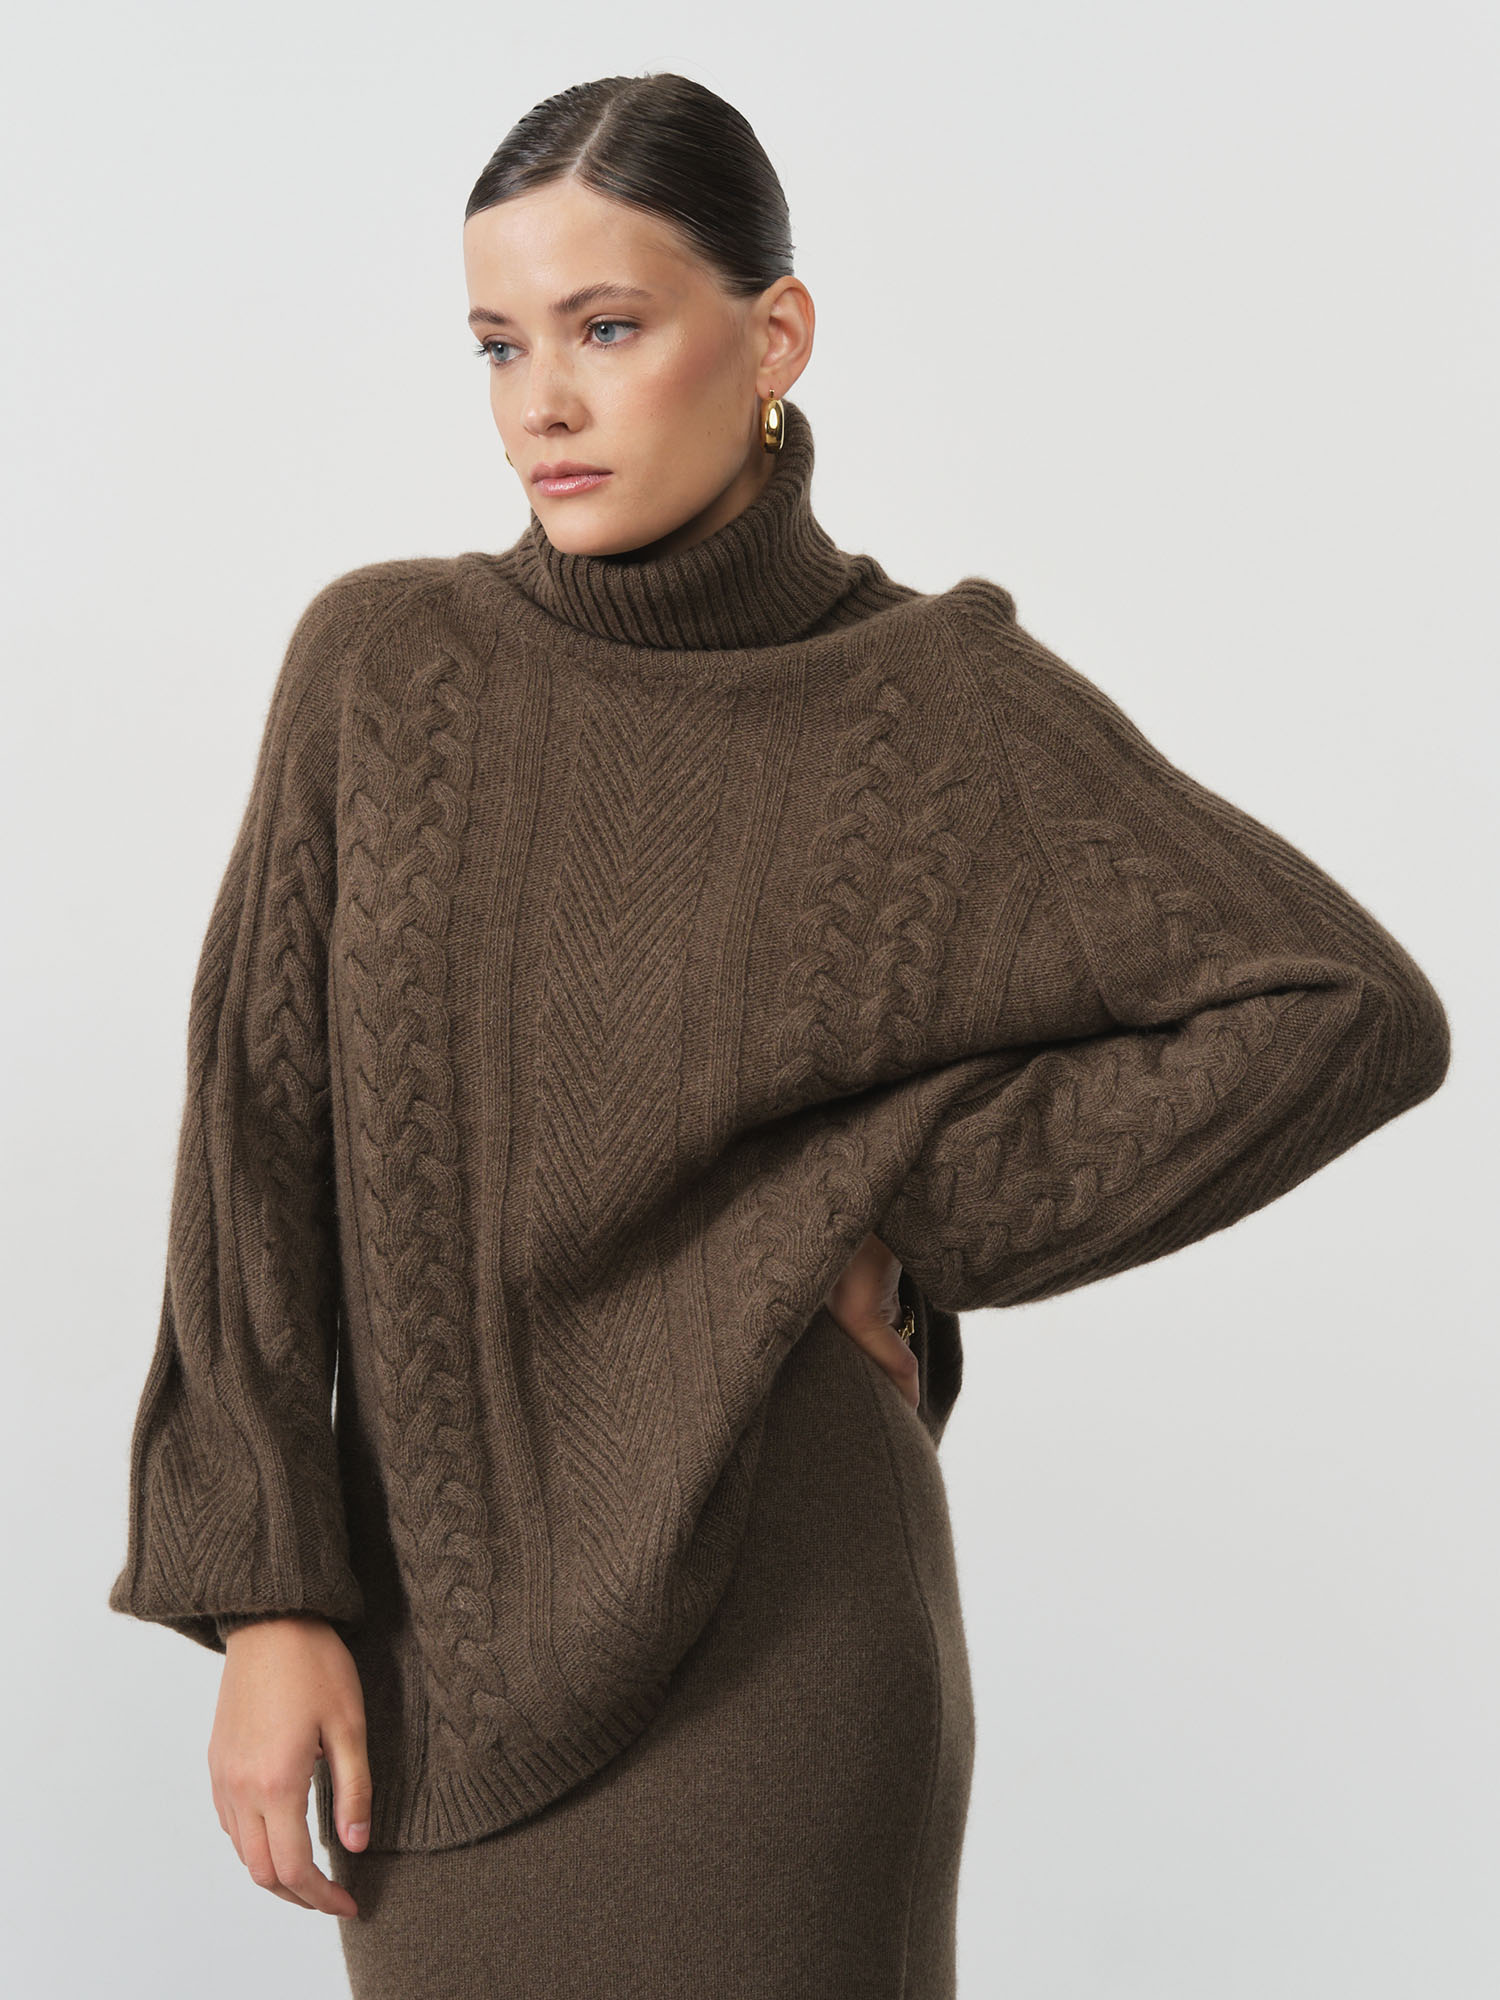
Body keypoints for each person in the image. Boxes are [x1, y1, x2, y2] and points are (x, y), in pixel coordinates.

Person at [107, 71, 1451, 2000]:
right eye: (498, 343)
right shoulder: (382, 667)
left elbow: (1341, 1008)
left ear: (776, 337)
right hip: (431, 1648)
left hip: (790, 1631)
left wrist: (896, 1199)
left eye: (606, 327)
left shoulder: (930, 700)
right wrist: (265, 1597)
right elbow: (256, 1137)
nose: (540, 403)